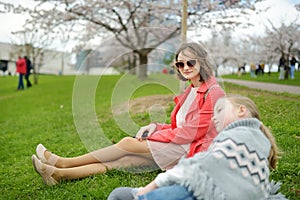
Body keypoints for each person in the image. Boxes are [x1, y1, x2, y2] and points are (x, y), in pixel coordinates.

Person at [31, 42, 225, 186]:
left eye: (190, 62)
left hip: (190, 150)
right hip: (180, 144)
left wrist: (156, 136)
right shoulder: (192, 89)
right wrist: (155, 127)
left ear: (202, 61)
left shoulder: (213, 91)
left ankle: (63, 162)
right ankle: (58, 174)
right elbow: (179, 127)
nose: (185, 68)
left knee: (127, 144)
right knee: (124, 161)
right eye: (180, 64)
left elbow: (192, 133)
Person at [108, 94, 286, 200]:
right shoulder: (258, 141)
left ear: (241, 111)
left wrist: (151, 186)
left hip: (199, 193)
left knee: (119, 195)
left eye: (219, 111)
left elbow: (201, 166)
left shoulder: (237, 137)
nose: (214, 118)